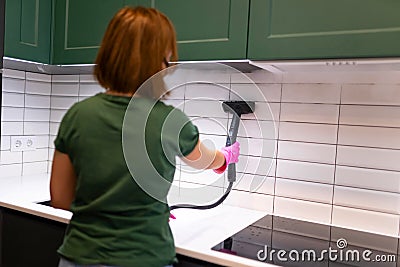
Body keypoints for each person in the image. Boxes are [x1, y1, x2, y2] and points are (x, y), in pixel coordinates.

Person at [50, 6, 240, 267]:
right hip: (146, 257)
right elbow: (203, 159)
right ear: (160, 62)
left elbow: (60, 198)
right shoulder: (169, 121)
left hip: (81, 257)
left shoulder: (78, 115)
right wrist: (224, 158)